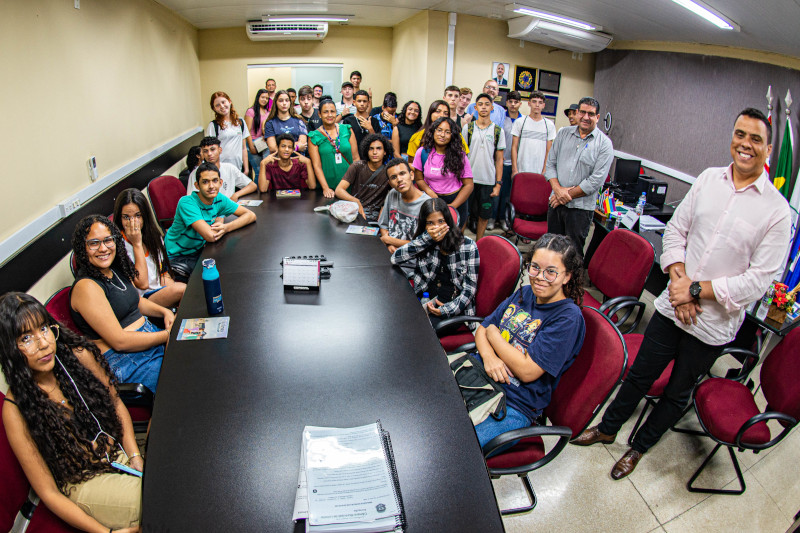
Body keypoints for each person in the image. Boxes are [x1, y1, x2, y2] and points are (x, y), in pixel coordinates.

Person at [572, 108, 791, 480]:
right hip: (673, 307)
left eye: (756, 138)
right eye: (740, 134)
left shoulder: (776, 211)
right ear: (732, 137)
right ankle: (607, 428)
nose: (745, 144)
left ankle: (637, 449)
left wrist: (693, 290)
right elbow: (675, 232)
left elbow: (757, 282)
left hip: (710, 325)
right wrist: (679, 281)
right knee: (640, 375)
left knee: (676, 393)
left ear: (768, 149)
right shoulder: (708, 179)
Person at [1, 292, 143, 532]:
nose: (43, 343)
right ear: (10, 350)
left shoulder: (78, 357)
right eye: (26, 338)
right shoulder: (15, 409)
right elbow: (48, 492)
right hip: (84, 482)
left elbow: (117, 404)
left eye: (44, 329)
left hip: (118, 455)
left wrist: (135, 455)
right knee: (160, 502)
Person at [472, 233, 586, 448]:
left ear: (567, 276)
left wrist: (494, 335)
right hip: (481, 374)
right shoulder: (525, 292)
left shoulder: (568, 318)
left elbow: (526, 371)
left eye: (551, 272)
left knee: (458, 448)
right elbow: (481, 329)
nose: (540, 277)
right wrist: (489, 358)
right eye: (535, 267)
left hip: (514, 402)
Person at [69, 215, 170, 394]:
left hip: (149, 339)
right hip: (127, 360)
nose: (103, 248)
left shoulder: (113, 270)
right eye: (94, 243)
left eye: (108, 240)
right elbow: (120, 341)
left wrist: (165, 313)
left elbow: (137, 303)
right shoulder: (86, 286)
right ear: (82, 248)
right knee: (181, 384)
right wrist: (167, 335)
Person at [390, 198, 479, 323]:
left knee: (414, 329)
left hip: (453, 307)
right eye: (430, 223)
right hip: (425, 298)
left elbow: (470, 289)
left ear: (448, 221)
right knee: (394, 316)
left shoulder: (468, 246)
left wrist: (447, 310)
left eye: (441, 221)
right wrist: (427, 238)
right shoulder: (424, 242)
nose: (436, 227)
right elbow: (395, 259)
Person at [166, 162, 257, 281]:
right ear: (197, 185)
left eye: (215, 181)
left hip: (199, 250)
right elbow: (211, 235)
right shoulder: (187, 202)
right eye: (205, 182)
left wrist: (226, 227)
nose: (211, 186)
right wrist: (222, 229)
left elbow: (251, 215)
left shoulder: (219, 198)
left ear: (220, 182)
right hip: (177, 257)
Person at [544, 96, 613, 253]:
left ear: (597, 117)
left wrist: (564, 195)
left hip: (580, 210)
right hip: (555, 205)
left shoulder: (604, 144)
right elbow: (550, 165)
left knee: (572, 254)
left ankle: (572, 279)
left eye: (591, 114)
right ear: (576, 113)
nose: (586, 117)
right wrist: (558, 190)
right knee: (551, 250)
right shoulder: (563, 134)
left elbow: (595, 181)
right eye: (582, 112)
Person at [113, 188, 186, 308]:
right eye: (126, 217)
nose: (133, 222)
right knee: (182, 289)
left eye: (137, 216)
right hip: (142, 300)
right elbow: (142, 284)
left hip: (158, 289)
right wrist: (136, 243)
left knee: (186, 292)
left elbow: (163, 273)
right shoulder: (118, 246)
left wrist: (172, 293)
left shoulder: (153, 236)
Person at [412, 117, 474, 231]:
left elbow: (469, 185)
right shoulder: (422, 152)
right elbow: (419, 179)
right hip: (432, 200)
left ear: (452, 135)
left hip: (456, 200)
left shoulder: (460, 155)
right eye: (439, 130)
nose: (442, 135)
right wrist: (430, 192)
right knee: (432, 235)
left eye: (447, 132)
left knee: (452, 238)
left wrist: (452, 207)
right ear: (433, 131)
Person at [464, 93, 505, 241]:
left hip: (488, 181)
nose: (483, 107)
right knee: (465, 214)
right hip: (468, 180)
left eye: (487, 104)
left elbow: (499, 159)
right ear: (475, 107)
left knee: (484, 215)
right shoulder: (468, 128)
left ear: (492, 108)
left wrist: (498, 184)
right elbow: (462, 156)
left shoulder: (498, 131)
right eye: (480, 104)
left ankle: (479, 243)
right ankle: (459, 243)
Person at [334, 133, 394, 222]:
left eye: (379, 148)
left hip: (375, 218)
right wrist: (355, 201)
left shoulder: (389, 172)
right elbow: (339, 190)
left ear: (385, 152)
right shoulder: (357, 166)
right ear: (367, 151)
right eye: (371, 149)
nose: (374, 152)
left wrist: (384, 209)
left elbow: (396, 195)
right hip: (354, 213)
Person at [308, 99, 359, 197]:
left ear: (336, 113)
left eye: (332, 111)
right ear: (319, 114)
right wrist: (325, 188)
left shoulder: (347, 130)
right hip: (328, 188)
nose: (329, 115)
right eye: (325, 112)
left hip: (349, 184)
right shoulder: (314, 136)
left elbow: (356, 159)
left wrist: (357, 182)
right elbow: (317, 166)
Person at [378, 158, 430, 254]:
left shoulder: (427, 204)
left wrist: (389, 240)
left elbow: (423, 243)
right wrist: (389, 245)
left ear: (411, 175)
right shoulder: (393, 194)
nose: (399, 180)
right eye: (393, 177)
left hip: (413, 257)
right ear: (390, 183)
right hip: (390, 252)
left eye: (402, 173)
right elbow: (384, 225)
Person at [187, 137, 257, 201]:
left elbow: (252, 186)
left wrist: (236, 195)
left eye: (212, 149)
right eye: (205, 151)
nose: (209, 154)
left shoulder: (229, 168)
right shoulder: (195, 173)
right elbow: (190, 200)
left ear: (220, 150)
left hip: (228, 209)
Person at [492, 90, 522, 232]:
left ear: (520, 104)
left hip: (513, 163)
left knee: (507, 194)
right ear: (507, 103)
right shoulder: (500, 118)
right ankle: (492, 218)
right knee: (496, 191)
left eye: (516, 102)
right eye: (510, 102)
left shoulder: (523, 121)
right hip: (499, 161)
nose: (513, 105)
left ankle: (504, 219)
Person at [511, 91, 556, 176]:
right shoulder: (520, 122)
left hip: (540, 172)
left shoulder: (549, 125)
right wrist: (514, 169)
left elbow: (548, 151)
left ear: (544, 105)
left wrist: (545, 170)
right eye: (534, 101)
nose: (537, 105)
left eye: (540, 102)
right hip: (521, 171)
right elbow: (514, 147)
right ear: (529, 103)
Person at [206, 91, 250, 175]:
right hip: (221, 169)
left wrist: (246, 169)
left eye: (223, 102)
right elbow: (210, 151)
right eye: (217, 105)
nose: (222, 106)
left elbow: (244, 148)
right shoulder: (213, 125)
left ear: (229, 101)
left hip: (238, 168)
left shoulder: (240, 122)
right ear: (214, 109)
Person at [263, 90, 308, 154]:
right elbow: (273, 148)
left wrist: (281, 147)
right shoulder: (270, 123)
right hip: (279, 161)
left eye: (287, 100)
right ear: (276, 102)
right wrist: (296, 147)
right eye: (281, 100)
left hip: (298, 160)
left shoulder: (299, 120)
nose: (284, 103)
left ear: (290, 102)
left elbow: (303, 144)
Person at [244, 88, 271, 181]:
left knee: (266, 170)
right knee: (259, 171)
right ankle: (257, 192)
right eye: (262, 97)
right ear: (258, 98)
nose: (264, 100)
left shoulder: (268, 112)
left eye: (267, 98)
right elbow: (246, 131)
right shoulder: (251, 111)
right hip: (252, 143)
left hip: (263, 143)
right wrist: (251, 147)